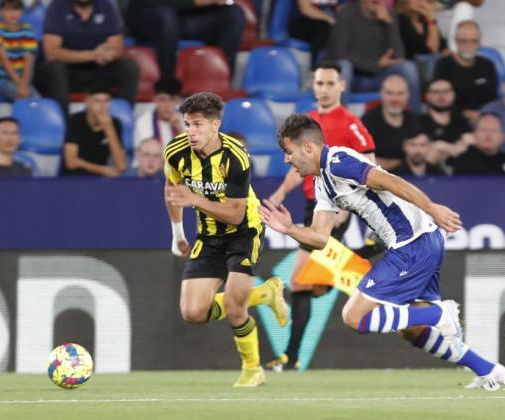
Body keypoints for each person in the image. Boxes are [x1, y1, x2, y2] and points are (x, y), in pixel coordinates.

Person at [260, 113, 505, 390]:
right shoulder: (323, 183)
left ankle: (439, 315)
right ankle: (489, 371)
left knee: (354, 316)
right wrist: (288, 228)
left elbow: (390, 181)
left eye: (288, 152)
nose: (286, 160)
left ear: (307, 148)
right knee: (411, 331)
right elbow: (319, 238)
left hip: (411, 244)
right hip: (420, 242)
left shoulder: (339, 162)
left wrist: (432, 207)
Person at [163, 92, 289, 387]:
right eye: (187, 125)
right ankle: (265, 294)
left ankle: (252, 369)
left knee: (235, 308)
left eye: (197, 125)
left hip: (244, 232)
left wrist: (193, 198)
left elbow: (234, 214)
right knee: (193, 312)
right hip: (208, 236)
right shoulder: (175, 152)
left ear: (215, 124)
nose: (190, 132)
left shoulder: (236, 156)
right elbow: (172, 189)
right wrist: (178, 234)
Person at [266, 61, 375, 371]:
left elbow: (370, 166)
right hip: (310, 205)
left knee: (299, 280)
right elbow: (300, 167)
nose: (324, 89)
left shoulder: (351, 123)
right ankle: (365, 254)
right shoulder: (307, 123)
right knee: (308, 285)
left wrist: (346, 205)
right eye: (319, 84)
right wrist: (280, 193)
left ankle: (290, 357)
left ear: (341, 86)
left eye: (330, 84)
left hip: (334, 209)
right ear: (313, 86)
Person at [37, 0, 139, 114]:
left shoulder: (106, 5)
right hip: (68, 72)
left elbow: (117, 46)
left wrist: (109, 55)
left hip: (97, 69)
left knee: (129, 67)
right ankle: (63, 124)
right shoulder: (57, 6)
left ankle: (123, 120)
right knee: (55, 67)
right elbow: (51, 53)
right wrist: (92, 55)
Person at [325, 0, 422, 112]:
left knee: (408, 68)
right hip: (353, 79)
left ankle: (415, 120)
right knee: (344, 66)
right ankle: (337, 120)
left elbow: (398, 55)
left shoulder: (389, 15)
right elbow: (338, 53)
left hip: (379, 77)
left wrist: (389, 23)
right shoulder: (346, 13)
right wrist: (375, 65)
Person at [125, 0, 245, 78]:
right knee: (166, 17)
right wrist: (196, 2)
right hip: (148, 17)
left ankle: (220, 79)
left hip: (185, 20)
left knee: (234, 14)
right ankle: (168, 85)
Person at [433, 20, 498, 124]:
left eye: (473, 41)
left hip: (485, 120)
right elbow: (439, 100)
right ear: (456, 41)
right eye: (464, 41)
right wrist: (464, 113)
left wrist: (484, 115)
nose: (469, 45)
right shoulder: (444, 65)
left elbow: (493, 99)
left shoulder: (488, 66)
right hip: (452, 120)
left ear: (480, 41)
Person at [59, 85, 128, 176]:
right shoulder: (75, 121)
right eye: (97, 101)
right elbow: (71, 162)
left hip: (99, 181)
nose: (102, 106)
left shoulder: (114, 123)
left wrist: (109, 129)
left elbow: (122, 166)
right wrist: (101, 170)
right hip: (72, 178)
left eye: (106, 101)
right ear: (87, 102)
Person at [361, 74, 419, 170]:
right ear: (381, 94)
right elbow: (362, 159)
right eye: (389, 93)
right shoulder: (368, 121)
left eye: (400, 93)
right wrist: (401, 163)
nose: (395, 99)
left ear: (408, 95)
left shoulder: (414, 120)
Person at [0, 0, 38, 100]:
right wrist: (18, 83)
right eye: (9, 10)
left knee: (37, 100)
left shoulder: (27, 29)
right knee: (25, 98)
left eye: (16, 9)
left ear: (22, 12)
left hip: (22, 79)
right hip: (0, 80)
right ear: (0, 12)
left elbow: (29, 60)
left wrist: (24, 82)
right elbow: (4, 59)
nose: (13, 13)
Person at [452, 112, 505, 176]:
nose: (488, 135)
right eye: (483, 130)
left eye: (494, 131)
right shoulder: (464, 161)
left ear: (502, 136)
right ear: (475, 134)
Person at [420, 78, 473, 165]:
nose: (441, 96)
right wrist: (454, 148)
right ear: (427, 96)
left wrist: (444, 148)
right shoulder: (419, 123)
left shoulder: (462, 122)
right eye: (436, 92)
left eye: (446, 91)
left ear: (453, 94)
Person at [395, 0, 447, 80]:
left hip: (428, 65)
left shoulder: (424, 21)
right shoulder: (400, 19)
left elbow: (443, 45)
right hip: (409, 67)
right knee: (431, 58)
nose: (419, 1)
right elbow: (430, 49)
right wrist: (431, 20)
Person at [287, 0, 346, 64]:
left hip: (331, 24)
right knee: (322, 27)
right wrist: (330, 19)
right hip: (304, 22)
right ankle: (317, 67)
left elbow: (344, 9)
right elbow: (305, 9)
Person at [133, 77, 184, 149]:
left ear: (179, 101)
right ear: (155, 100)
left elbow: (197, 155)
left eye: (172, 100)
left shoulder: (189, 121)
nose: (167, 105)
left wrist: (179, 129)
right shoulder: (143, 122)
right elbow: (146, 155)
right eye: (162, 99)